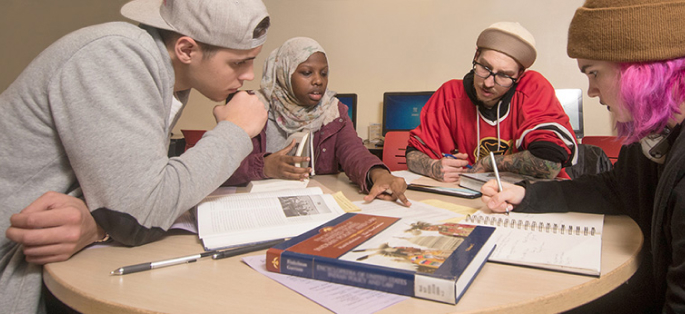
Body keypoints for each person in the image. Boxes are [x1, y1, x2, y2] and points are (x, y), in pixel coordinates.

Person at [1, 0, 270, 312]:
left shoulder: (162, 74)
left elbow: (129, 200)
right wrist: (234, 130)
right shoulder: (115, 56)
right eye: (239, 63)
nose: (249, 75)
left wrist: (99, 225)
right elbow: (140, 215)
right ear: (185, 50)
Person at [481, 0, 685, 312]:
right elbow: (614, 189)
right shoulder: (651, 138)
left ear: (640, 70)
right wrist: (526, 195)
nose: (591, 90)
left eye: (593, 72)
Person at [223, 37, 410, 206]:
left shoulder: (333, 111)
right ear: (284, 73)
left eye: (324, 73)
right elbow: (221, 166)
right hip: (257, 205)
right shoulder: (251, 107)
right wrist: (264, 166)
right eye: (306, 72)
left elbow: (354, 152)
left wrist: (380, 175)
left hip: (314, 202)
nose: (318, 81)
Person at [406, 22, 577, 182]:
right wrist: (433, 167)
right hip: (472, 197)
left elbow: (549, 163)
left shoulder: (533, 88)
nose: (488, 83)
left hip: (537, 199)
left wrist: (488, 163)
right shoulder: (450, 94)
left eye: (504, 75)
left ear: (520, 74)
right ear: (476, 55)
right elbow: (413, 154)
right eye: (485, 67)